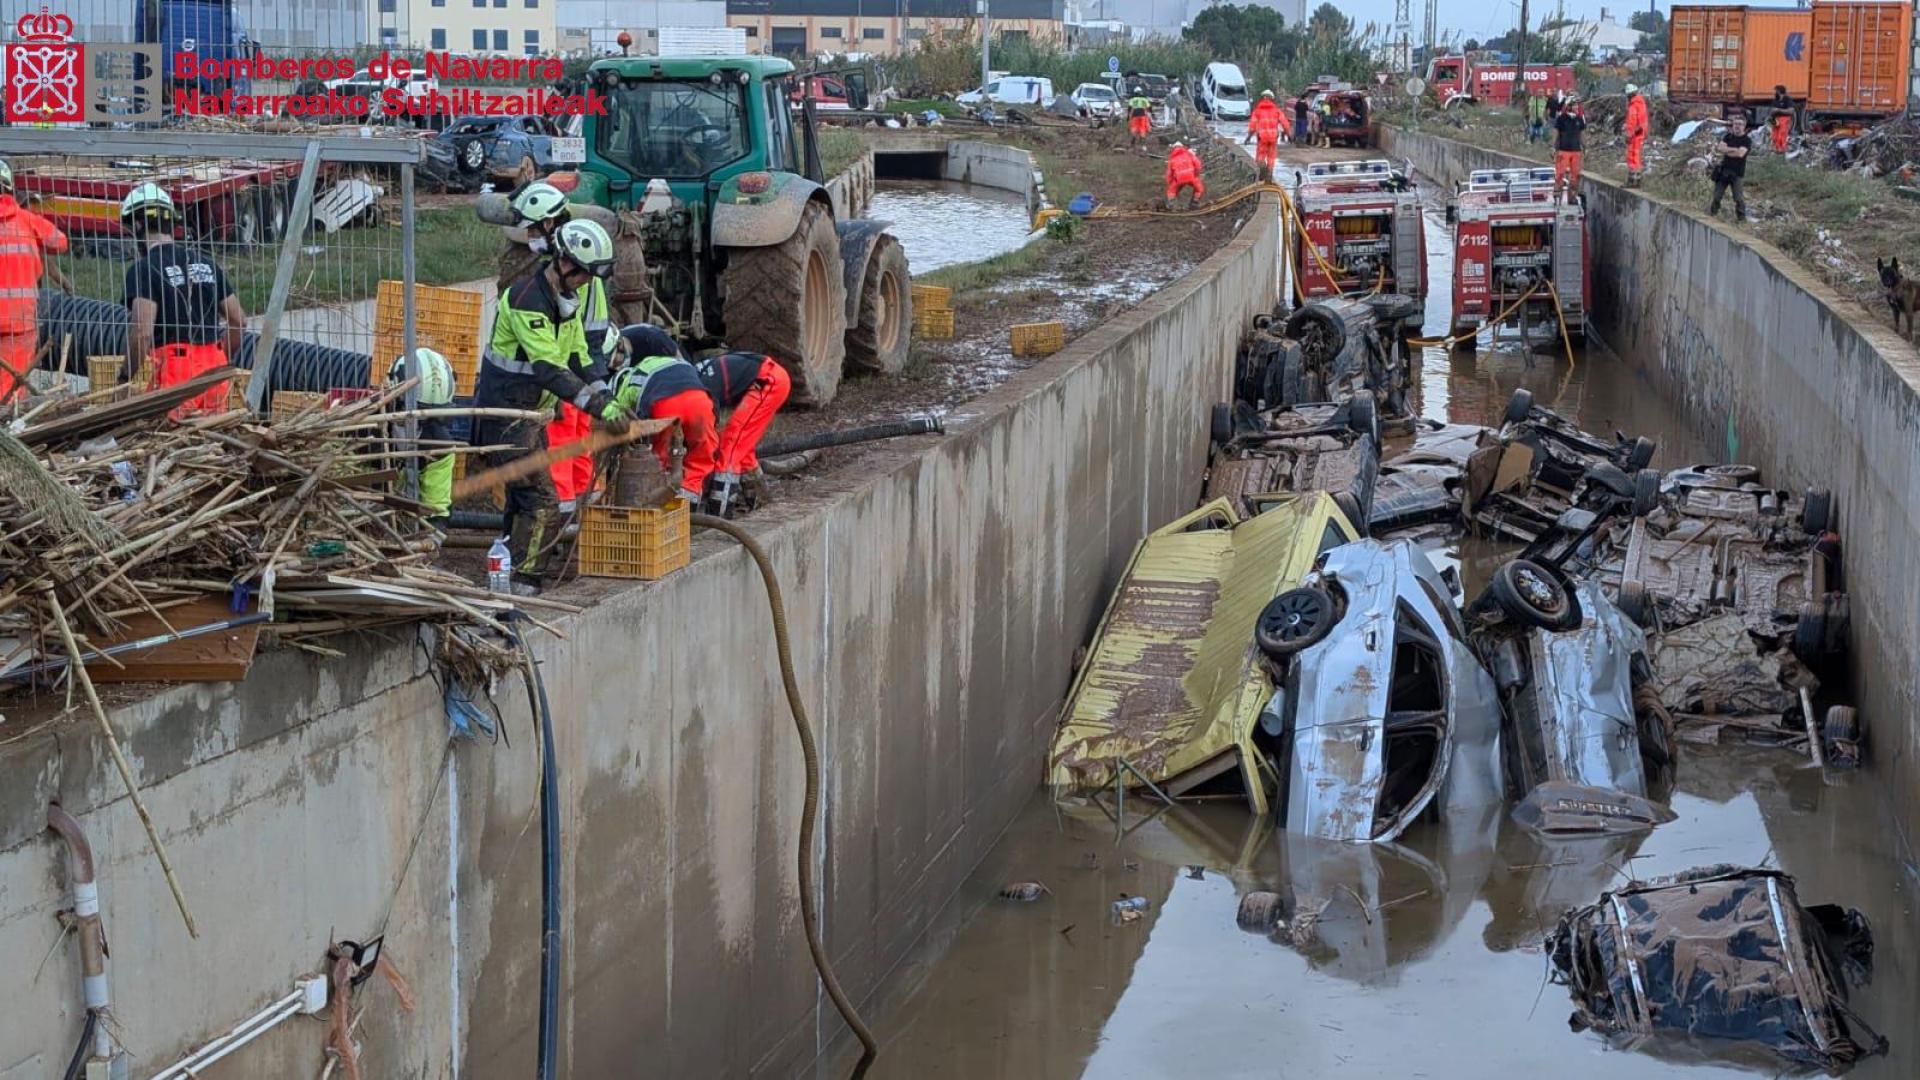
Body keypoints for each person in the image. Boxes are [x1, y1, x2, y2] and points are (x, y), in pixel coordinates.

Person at [472, 218, 628, 594]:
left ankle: (506, 577)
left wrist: (607, 394)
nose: (588, 284)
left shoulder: (565, 303)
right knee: (542, 502)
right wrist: (600, 410)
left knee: (522, 498)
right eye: (586, 276)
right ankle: (527, 583)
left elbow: (578, 358)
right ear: (566, 263)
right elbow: (549, 370)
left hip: (528, 417)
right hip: (505, 418)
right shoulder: (527, 301)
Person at [505, 181, 614, 511]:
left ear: (550, 223)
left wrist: (593, 394)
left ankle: (566, 518)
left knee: (565, 445)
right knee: (578, 445)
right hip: (574, 368)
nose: (530, 237)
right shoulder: (575, 261)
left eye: (533, 229)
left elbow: (581, 341)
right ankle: (579, 518)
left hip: (569, 371)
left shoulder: (572, 268)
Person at [119, 183, 244, 419]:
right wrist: (215, 358)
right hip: (214, 368)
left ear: (136, 225)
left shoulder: (145, 269)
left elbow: (142, 333)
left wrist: (126, 377)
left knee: (166, 442)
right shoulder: (206, 263)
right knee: (212, 443)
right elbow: (238, 321)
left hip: (176, 370)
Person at [610, 328, 716, 505]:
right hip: (700, 400)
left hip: (666, 405)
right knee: (702, 455)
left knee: (659, 460)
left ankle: (661, 504)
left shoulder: (628, 379)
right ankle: (688, 501)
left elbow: (618, 414)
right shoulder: (666, 360)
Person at [692, 350, 792, 515]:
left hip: (768, 380)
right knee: (742, 447)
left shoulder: (700, 390)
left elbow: (706, 435)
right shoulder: (694, 379)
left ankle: (720, 515)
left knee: (731, 445)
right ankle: (763, 501)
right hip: (768, 376)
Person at [0, 159, 66, 403]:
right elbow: (60, 242)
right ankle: (10, 431)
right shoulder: (27, 220)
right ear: (9, 189)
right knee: (13, 388)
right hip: (21, 320)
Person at [386, 347, 457, 532]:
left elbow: (437, 510)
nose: (426, 424)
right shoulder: (367, 432)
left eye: (434, 416)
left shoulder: (438, 447)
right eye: (422, 414)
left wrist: (431, 540)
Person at [1709, 113, 1752, 223]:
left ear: (1744, 126)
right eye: (1735, 124)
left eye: (1740, 124)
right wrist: (1733, 150)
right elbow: (1720, 148)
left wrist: (1727, 149)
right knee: (1716, 197)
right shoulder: (1728, 136)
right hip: (1724, 171)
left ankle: (1741, 220)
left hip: (1737, 173)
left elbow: (1740, 154)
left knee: (1738, 198)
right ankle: (1712, 215)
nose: (1737, 126)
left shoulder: (1746, 140)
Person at [1551, 95, 1587, 202]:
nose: (1577, 107)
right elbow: (1556, 133)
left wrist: (1585, 147)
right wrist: (1552, 147)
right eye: (1575, 105)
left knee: (1575, 175)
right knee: (1560, 173)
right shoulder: (1561, 119)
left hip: (1576, 151)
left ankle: (1572, 197)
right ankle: (1558, 197)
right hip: (1563, 151)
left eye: (1577, 105)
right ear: (1569, 106)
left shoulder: (1579, 119)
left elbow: (1582, 134)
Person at [1245, 90, 1284, 177]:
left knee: (1260, 156)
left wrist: (1248, 137)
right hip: (1273, 137)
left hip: (1262, 137)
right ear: (1271, 99)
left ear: (1263, 98)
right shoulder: (1276, 110)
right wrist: (1289, 135)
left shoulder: (1257, 111)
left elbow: (1252, 125)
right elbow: (1284, 123)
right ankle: (1269, 175)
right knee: (1271, 157)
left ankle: (1262, 173)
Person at [1623, 84, 1649, 187]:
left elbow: (1636, 122)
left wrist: (1630, 134)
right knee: (1634, 157)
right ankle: (1636, 180)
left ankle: (1632, 181)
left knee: (1633, 158)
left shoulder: (1636, 105)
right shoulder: (1638, 104)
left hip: (1635, 135)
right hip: (1636, 134)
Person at [1165, 141, 1205, 206]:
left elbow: (1169, 173)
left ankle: (1172, 205)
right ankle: (1194, 203)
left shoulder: (1172, 159)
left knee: (1171, 191)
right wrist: (1196, 174)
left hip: (1178, 178)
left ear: (1173, 148)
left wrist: (1170, 183)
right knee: (1199, 188)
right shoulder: (1189, 154)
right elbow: (1198, 164)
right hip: (1191, 177)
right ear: (1182, 147)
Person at [1769, 84, 1793, 153]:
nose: (1774, 93)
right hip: (1775, 118)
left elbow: (1791, 111)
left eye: (1775, 91)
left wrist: (1779, 110)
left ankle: (1782, 149)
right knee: (1774, 135)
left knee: (1781, 135)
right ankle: (1776, 149)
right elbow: (1772, 110)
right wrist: (1772, 116)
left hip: (1784, 119)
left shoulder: (1787, 99)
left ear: (1779, 91)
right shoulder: (1775, 100)